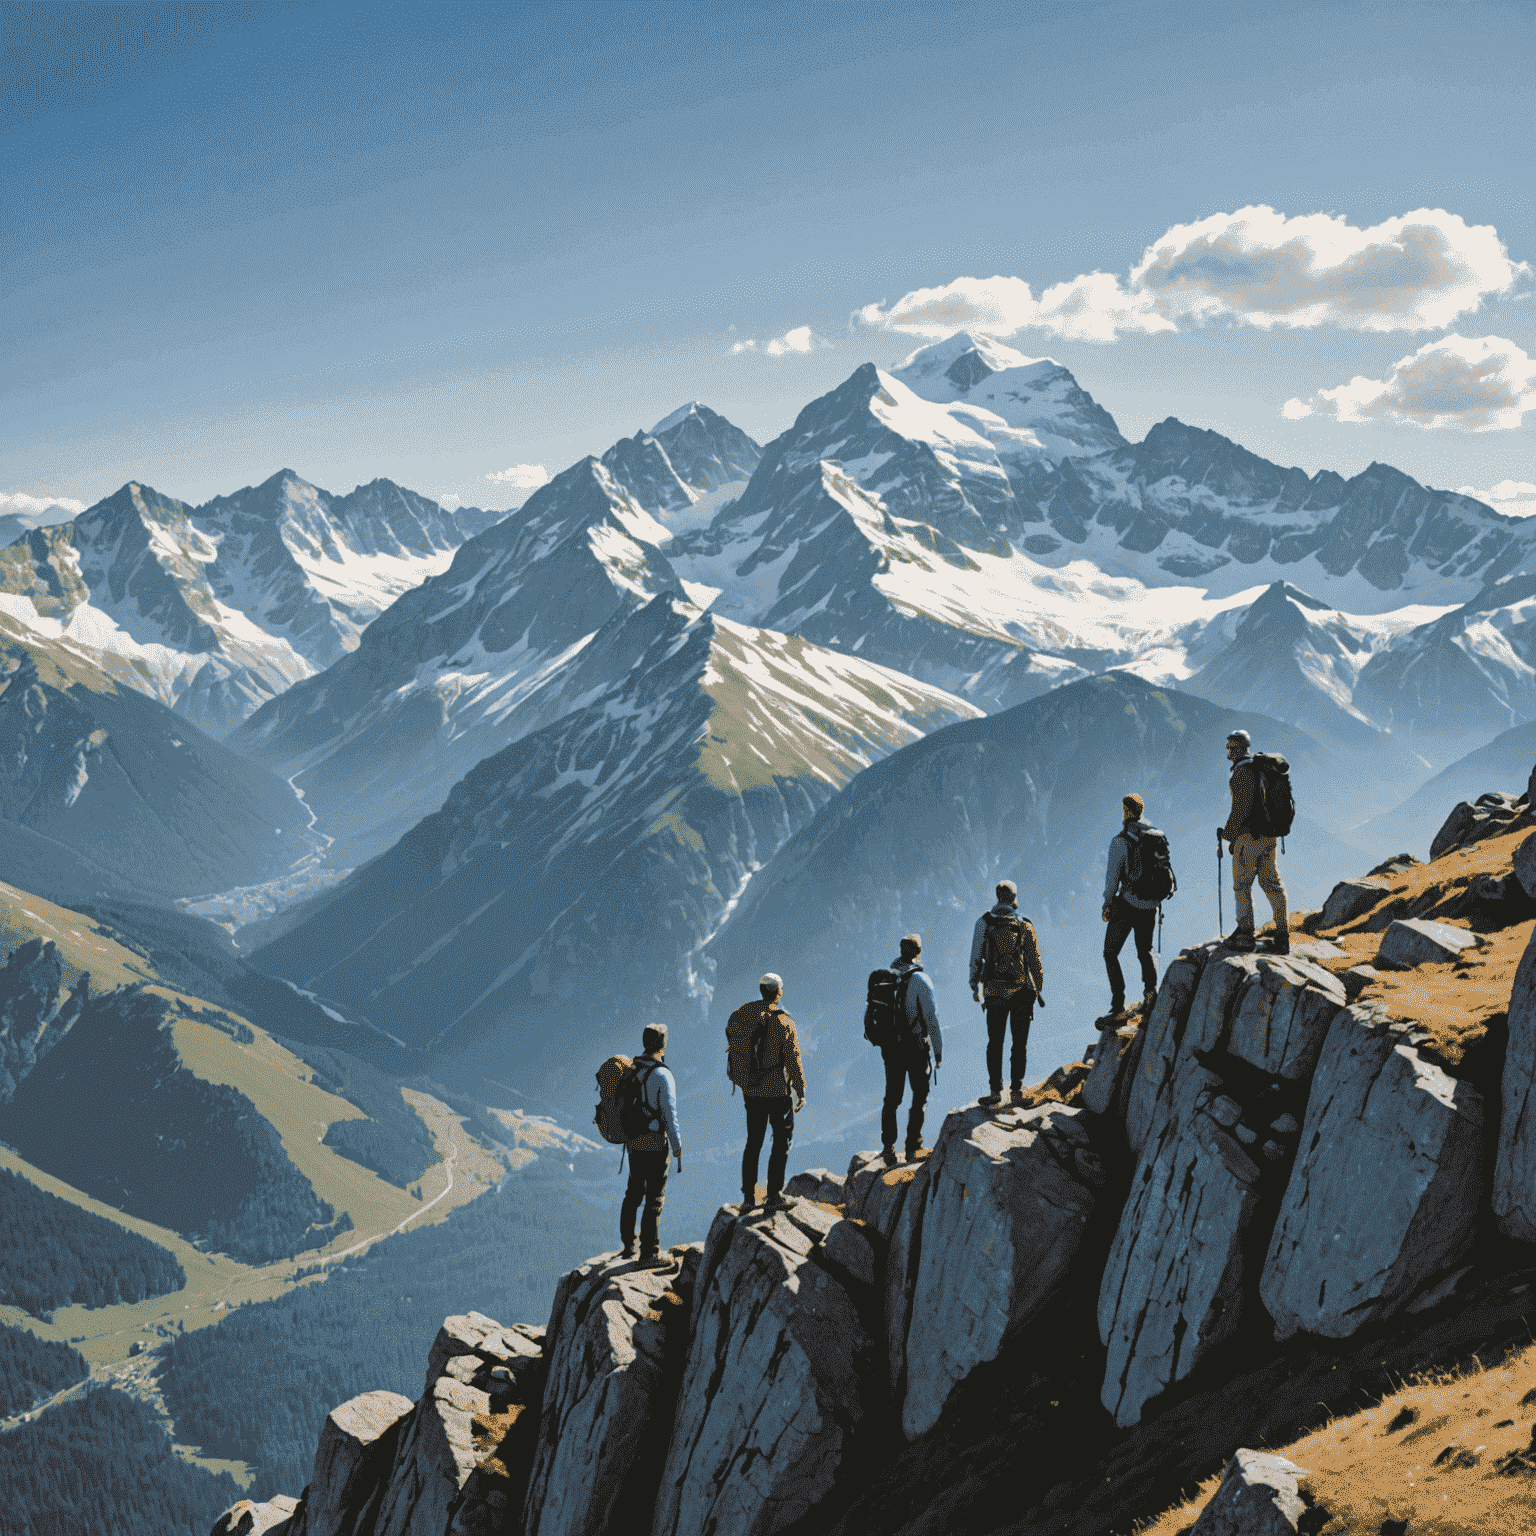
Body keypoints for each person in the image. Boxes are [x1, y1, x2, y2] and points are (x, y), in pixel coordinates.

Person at [726, 972, 806, 1212]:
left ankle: (748, 1197)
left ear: (762, 991)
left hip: (751, 1092)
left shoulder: (743, 1016)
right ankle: (773, 1194)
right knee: (781, 1141)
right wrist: (800, 1090)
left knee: (754, 1143)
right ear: (778, 993)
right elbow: (793, 1059)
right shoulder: (784, 1022)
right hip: (777, 1092)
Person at [968, 881, 1044, 1108]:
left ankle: (994, 1092)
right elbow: (1035, 961)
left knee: (995, 1041)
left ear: (997, 896)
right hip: (1022, 991)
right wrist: (1037, 988)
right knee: (1019, 1043)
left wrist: (974, 985)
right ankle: (1017, 1091)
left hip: (994, 990)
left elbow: (976, 958)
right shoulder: (1025, 924)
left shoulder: (984, 923)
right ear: (1014, 898)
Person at [619, 1024, 682, 1268]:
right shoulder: (662, 1075)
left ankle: (628, 1246)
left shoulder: (632, 1069)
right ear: (662, 1044)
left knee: (633, 1194)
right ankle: (650, 1253)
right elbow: (669, 1114)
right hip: (655, 1145)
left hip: (634, 1144)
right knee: (654, 1198)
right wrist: (677, 1146)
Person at [1221, 729, 1289, 954]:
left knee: (1242, 884)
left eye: (1229, 748)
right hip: (1270, 835)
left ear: (1236, 748)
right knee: (1272, 884)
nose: (1228, 753)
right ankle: (1282, 936)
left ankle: (1245, 934)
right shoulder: (1261, 767)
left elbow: (1240, 809)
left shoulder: (1241, 773)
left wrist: (1228, 835)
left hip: (1248, 837)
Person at [881, 934, 944, 1166]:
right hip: (915, 1047)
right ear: (918, 952)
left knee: (892, 1098)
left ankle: (888, 1148)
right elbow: (931, 1018)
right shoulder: (920, 979)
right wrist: (937, 1051)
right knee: (919, 1096)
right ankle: (912, 1146)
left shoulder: (887, 978)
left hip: (891, 1049)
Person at [1102, 792, 1160, 1017]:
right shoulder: (1156, 835)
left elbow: (1112, 879)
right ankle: (1150, 993)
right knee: (1145, 951)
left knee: (1110, 952)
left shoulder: (1121, 840)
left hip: (1128, 904)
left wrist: (1107, 904)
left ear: (1126, 811)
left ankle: (1118, 1005)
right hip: (1151, 905)